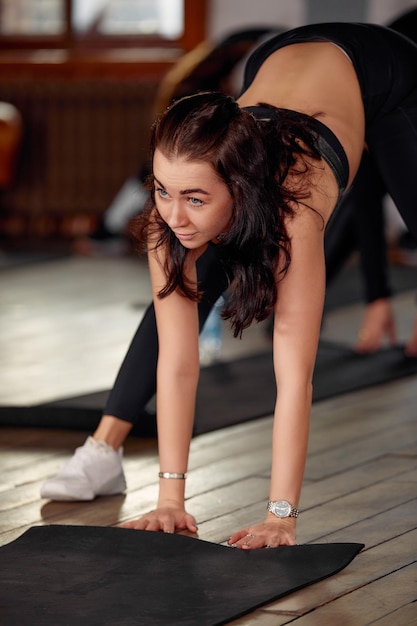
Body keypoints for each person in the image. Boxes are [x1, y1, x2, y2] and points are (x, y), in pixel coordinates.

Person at [41, 23, 417, 549]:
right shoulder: (168, 216)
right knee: (184, 273)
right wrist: (170, 499)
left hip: (386, 70)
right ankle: (105, 450)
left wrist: (280, 516)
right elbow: (176, 361)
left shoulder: (296, 207)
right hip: (280, 57)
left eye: (194, 198)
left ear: (238, 189)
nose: (174, 215)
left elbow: (293, 377)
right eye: (162, 191)